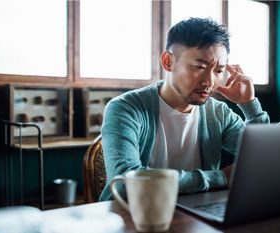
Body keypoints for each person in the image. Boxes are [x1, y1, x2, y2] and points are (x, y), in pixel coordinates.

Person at [99, 17, 270, 201]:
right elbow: (125, 183)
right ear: (168, 61)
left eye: (218, 71)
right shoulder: (125, 108)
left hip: (199, 216)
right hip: (132, 216)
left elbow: (266, 160)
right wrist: (221, 177)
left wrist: (249, 105)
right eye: (199, 67)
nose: (210, 82)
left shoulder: (218, 113)